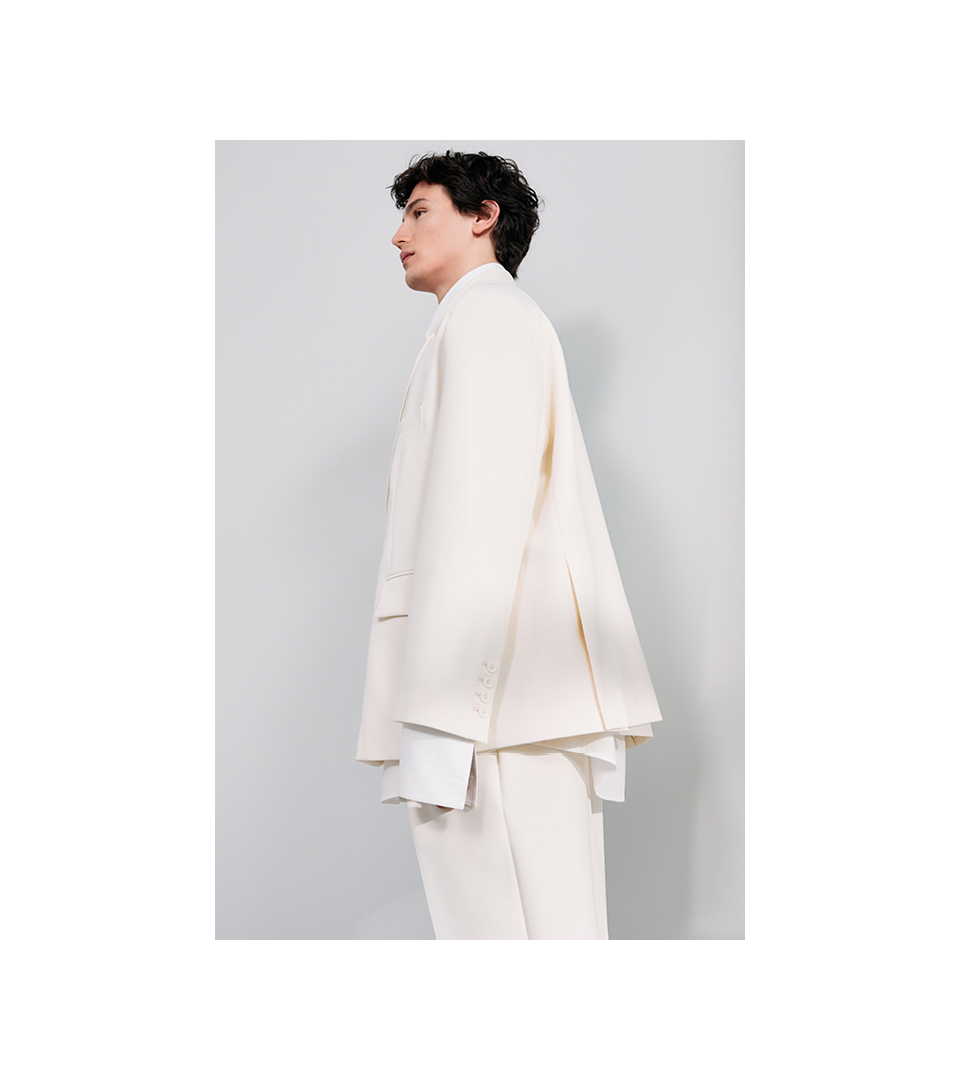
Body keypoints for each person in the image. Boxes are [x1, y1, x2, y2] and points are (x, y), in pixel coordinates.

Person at [356, 150, 663, 939]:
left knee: (506, 933)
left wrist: (440, 713)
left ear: (483, 216)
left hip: (495, 706)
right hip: (512, 701)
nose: (398, 235)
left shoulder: (486, 317)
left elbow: (477, 516)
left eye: (419, 211)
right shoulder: (484, 318)